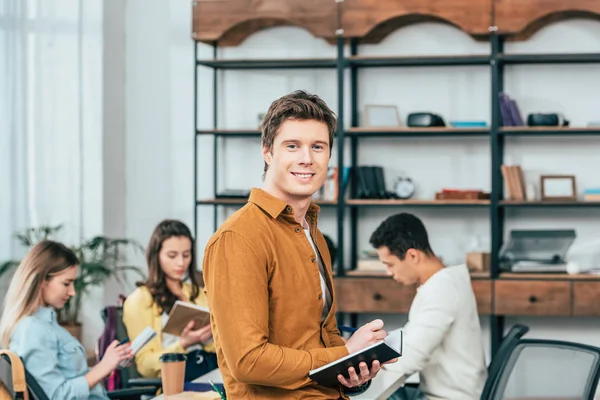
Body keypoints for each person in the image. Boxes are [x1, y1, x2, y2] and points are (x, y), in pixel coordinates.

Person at [202, 90, 392, 399]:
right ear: (267, 152)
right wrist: (343, 352)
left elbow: (323, 335)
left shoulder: (312, 233)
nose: (307, 158)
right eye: (292, 146)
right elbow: (248, 361)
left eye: (318, 147)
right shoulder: (239, 238)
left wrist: (355, 369)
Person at [369, 212, 488, 400]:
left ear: (412, 256)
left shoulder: (442, 290)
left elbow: (410, 359)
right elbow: (411, 336)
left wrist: (362, 358)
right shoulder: (445, 282)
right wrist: (369, 344)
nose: (388, 272)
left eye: (390, 264)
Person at [0, 240, 133, 400]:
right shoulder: (33, 330)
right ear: (42, 280)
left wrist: (109, 363)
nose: (72, 292)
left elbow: (69, 377)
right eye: (66, 283)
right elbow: (57, 396)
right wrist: (103, 368)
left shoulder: (45, 325)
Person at [122, 219, 217, 381]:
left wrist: (207, 338)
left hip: (208, 368)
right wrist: (183, 344)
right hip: (174, 379)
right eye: (172, 255)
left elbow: (220, 347)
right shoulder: (139, 300)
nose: (181, 262)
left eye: (186, 255)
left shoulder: (196, 292)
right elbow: (145, 365)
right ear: (156, 255)